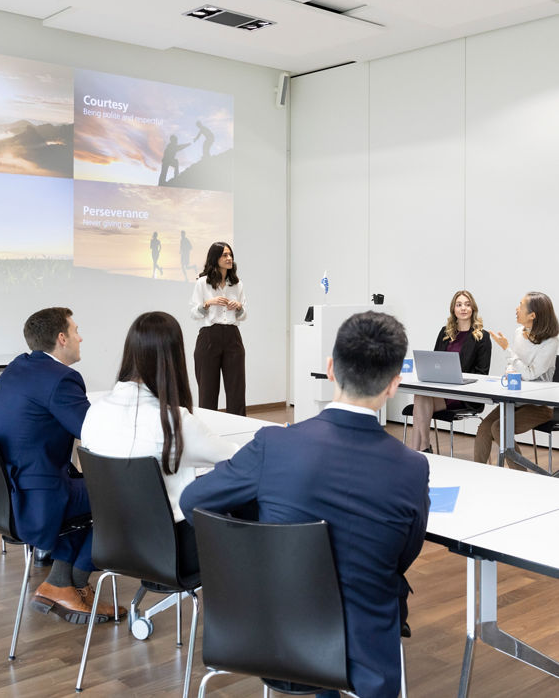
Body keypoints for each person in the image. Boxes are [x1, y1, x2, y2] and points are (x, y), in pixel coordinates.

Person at [180, 311, 430, 698]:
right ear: (394, 385)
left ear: (330, 368)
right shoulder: (413, 468)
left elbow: (193, 500)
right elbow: (404, 556)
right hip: (362, 654)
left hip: (270, 633)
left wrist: (259, 538)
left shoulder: (274, 445)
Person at [0, 307, 124, 625]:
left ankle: (61, 584)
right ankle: (74, 582)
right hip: (36, 496)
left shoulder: (18, 367)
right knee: (121, 494)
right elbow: (95, 435)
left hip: (4, 493)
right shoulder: (62, 379)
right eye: (76, 331)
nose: (80, 337)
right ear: (62, 338)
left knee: (88, 488)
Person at [80, 311, 238, 575]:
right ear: (173, 357)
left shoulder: (95, 412)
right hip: (172, 550)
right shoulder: (172, 422)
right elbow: (234, 458)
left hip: (111, 543)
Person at [474, 292, 559, 465]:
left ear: (533, 315)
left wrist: (506, 350)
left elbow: (529, 373)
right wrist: (510, 369)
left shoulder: (551, 341)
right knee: (484, 428)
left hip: (539, 405)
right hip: (515, 399)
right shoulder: (519, 333)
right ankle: (478, 474)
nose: (516, 309)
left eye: (520, 305)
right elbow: (515, 365)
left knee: (498, 428)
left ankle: (522, 478)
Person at [411, 290, 491, 451]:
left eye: (467, 305)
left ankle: (419, 449)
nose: (463, 308)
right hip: (442, 390)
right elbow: (434, 363)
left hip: (464, 394)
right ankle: (422, 448)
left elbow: (482, 374)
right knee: (420, 394)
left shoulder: (482, 336)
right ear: (453, 309)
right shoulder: (445, 333)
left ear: (473, 308)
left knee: (420, 399)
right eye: (459, 305)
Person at [190, 242, 247, 416]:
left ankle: (239, 429)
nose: (229, 258)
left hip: (232, 336)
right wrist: (208, 303)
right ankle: (208, 431)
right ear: (215, 258)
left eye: (230, 255)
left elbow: (243, 315)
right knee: (207, 390)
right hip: (209, 336)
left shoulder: (237, 284)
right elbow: (194, 313)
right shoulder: (202, 283)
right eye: (224, 255)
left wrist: (238, 308)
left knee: (236, 389)